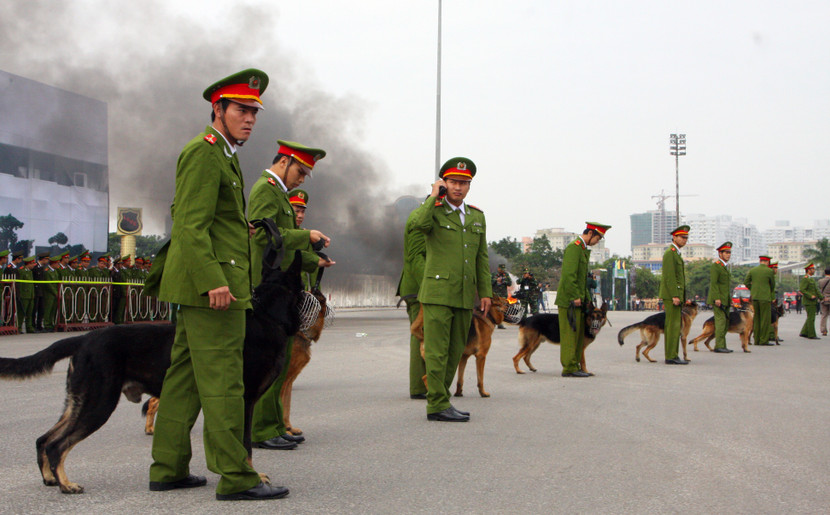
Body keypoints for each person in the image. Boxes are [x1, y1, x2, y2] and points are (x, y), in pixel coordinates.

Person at [145, 69, 289, 501]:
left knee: (184, 380)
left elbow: (214, 221)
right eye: (241, 110)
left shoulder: (223, 154)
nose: (250, 119)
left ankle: (168, 466)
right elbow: (189, 225)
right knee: (226, 380)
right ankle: (236, 476)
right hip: (214, 290)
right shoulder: (205, 152)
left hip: (210, 285)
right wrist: (214, 282)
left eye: (254, 113)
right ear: (218, 109)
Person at [249, 140, 334, 451]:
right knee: (267, 360)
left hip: (281, 289)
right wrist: (305, 236)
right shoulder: (266, 189)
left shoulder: (278, 194)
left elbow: (285, 245)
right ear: (284, 161)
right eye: (300, 170)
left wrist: (312, 255)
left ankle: (273, 424)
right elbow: (262, 236)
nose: (301, 178)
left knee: (278, 362)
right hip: (268, 289)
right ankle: (261, 429)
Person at [412, 157, 491, 422]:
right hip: (437, 293)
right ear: (443, 183)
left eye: (463, 183)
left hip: (464, 295)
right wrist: (432, 197)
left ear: (469, 186)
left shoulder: (476, 216)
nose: (458, 187)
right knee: (436, 350)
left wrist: (486, 292)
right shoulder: (433, 211)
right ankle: (436, 404)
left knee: (456, 348)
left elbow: (481, 258)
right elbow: (416, 225)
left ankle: (441, 399)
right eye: (453, 182)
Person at [557, 222, 611, 377]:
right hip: (569, 300)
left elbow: (582, 279)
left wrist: (588, 300)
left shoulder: (582, 249)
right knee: (569, 336)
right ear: (590, 234)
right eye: (598, 238)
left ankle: (576, 365)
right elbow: (569, 276)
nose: (597, 242)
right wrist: (574, 296)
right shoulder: (574, 248)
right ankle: (569, 368)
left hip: (580, 300)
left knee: (578, 336)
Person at [397, 199, 428, 399]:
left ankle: (424, 383)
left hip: (420, 288)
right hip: (418, 290)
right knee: (419, 335)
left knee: (426, 335)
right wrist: (430, 289)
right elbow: (417, 259)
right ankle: (418, 387)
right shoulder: (418, 222)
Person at [659, 225, 689, 364]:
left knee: (675, 325)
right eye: (682, 237)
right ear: (674, 237)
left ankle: (673, 354)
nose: (684, 240)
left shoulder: (675, 253)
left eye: (686, 238)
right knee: (672, 325)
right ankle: (671, 356)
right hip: (672, 296)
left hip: (675, 295)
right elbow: (670, 277)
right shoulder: (670, 253)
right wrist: (675, 295)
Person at [707, 242, 734, 353]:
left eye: (729, 253)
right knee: (720, 322)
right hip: (718, 299)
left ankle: (723, 345)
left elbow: (725, 286)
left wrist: (729, 300)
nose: (728, 255)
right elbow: (714, 283)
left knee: (725, 323)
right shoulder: (716, 266)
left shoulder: (725, 267)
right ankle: (719, 346)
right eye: (726, 252)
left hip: (725, 299)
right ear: (720, 253)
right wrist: (717, 298)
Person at [744, 255, 775, 346]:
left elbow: (746, 282)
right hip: (765, 298)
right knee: (765, 319)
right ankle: (763, 340)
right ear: (767, 262)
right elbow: (772, 285)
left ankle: (756, 340)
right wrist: (768, 291)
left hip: (755, 297)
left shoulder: (753, 270)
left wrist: (753, 289)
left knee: (756, 319)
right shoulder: (769, 271)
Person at [799, 262, 821, 339]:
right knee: (811, 318)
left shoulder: (811, 279)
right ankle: (811, 334)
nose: (814, 270)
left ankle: (804, 332)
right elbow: (802, 289)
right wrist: (810, 295)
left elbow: (816, 290)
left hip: (813, 301)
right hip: (809, 301)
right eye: (813, 269)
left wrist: (822, 297)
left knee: (810, 317)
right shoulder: (805, 279)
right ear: (808, 270)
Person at [491, 263, 511, 328]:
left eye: (503, 269)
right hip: (496, 295)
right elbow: (490, 282)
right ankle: (494, 322)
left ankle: (500, 323)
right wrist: (496, 280)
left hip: (503, 295)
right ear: (498, 268)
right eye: (501, 269)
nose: (502, 271)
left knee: (502, 309)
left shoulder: (506, 275)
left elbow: (509, 283)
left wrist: (503, 281)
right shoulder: (494, 274)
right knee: (495, 309)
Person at [819, 266, 830, 337]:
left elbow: (820, 290)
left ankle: (824, 330)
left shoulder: (820, 281)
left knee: (824, 315)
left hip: (823, 299)